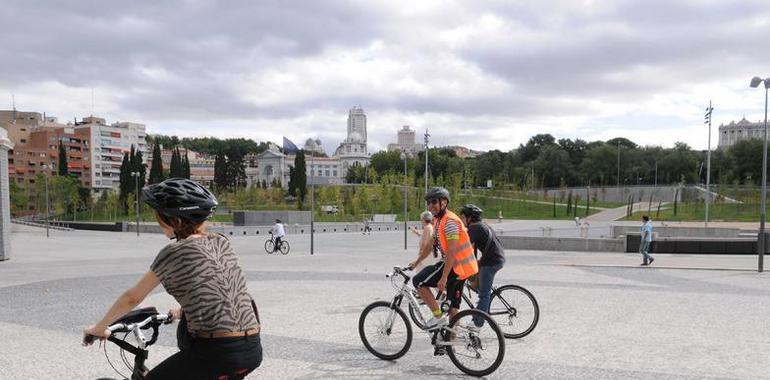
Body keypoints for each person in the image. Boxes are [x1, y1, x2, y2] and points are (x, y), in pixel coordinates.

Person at [83, 178, 262, 379]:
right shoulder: (222, 241)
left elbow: (132, 298)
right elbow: (217, 285)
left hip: (216, 352)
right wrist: (181, 311)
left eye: (159, 216)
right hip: (252, 348)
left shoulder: (174, 251)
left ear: (173, 220)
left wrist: (99, 329)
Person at [411, 187, 478, 330]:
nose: (430, 206)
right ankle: (451, 342)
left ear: (444, 202)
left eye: (434, 202)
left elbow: (452, 251)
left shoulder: (450, 222)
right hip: (462, 269)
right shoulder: (438, 221)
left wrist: (444, 277)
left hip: (455, 267)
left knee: (418, 281)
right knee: (453, 306)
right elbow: (430, 245)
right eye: (428, 203)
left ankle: (438, 318)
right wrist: (416, 262)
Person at [458, 204, 505, 327]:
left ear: (469, 218)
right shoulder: (482, 225)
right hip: (495, 258)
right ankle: (483, 303)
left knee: (484, 295)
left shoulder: (474, 228)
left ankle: (477, 323)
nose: (461, 220)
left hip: (491, 262)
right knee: (475, 282)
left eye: (462, 217)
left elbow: (464, 248)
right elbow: (471, 250)